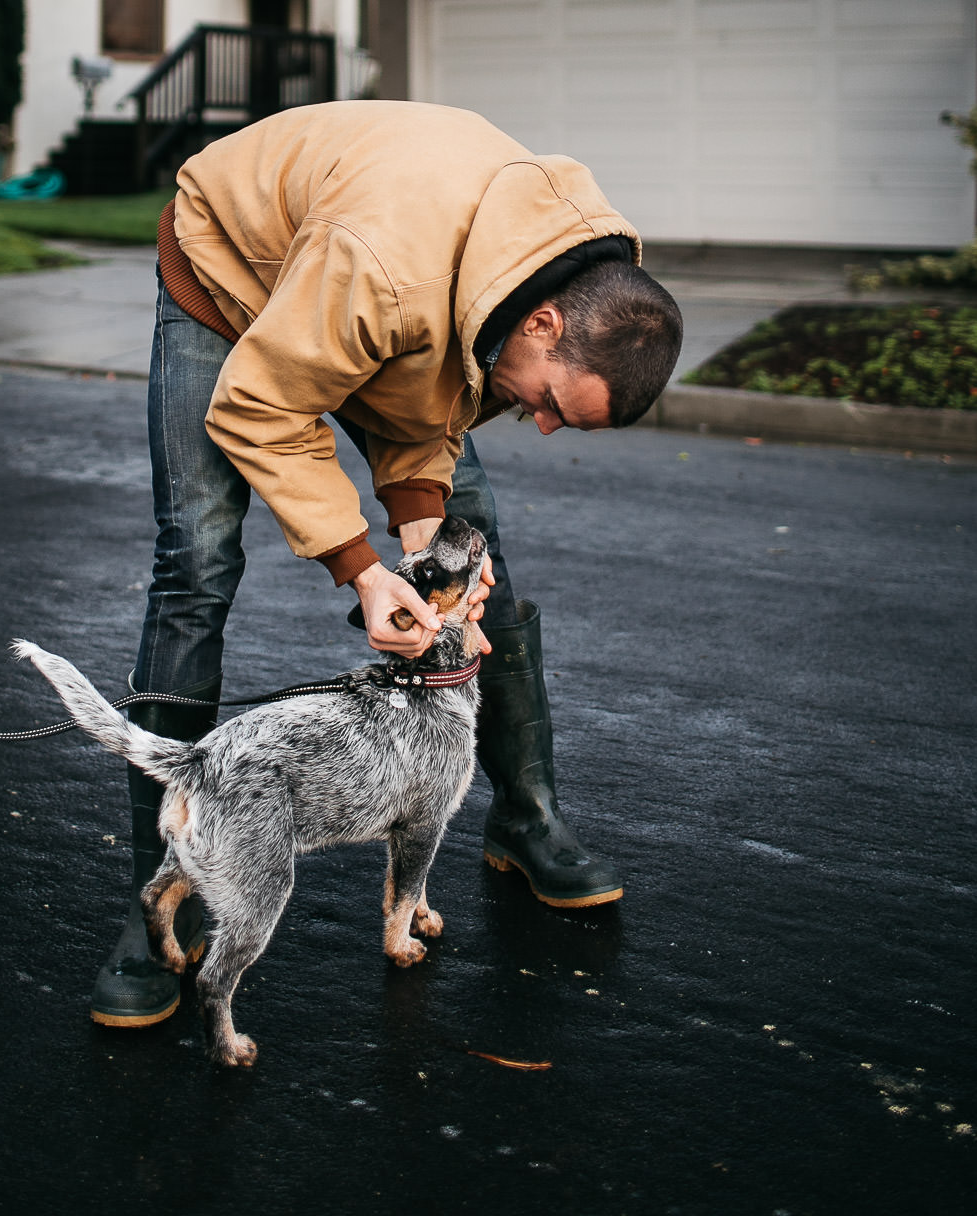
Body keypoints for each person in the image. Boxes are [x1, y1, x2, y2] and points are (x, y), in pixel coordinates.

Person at [93, 100, 682, 1027]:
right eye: (556, 403)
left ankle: (525, 818)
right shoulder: (385, 269)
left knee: (477, 556)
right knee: (197, 563)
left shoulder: (555, 274)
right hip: (233, 272)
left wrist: (420, 541)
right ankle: (153, 904)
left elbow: (427, 401)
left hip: (382, 301)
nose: (543, 425)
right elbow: (263, 406)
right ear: (540, 326)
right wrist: (363, 566)